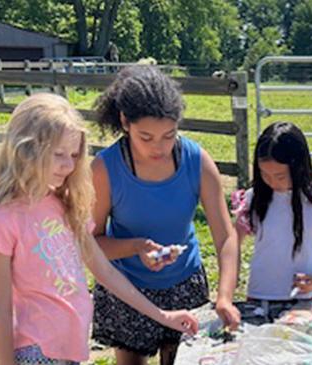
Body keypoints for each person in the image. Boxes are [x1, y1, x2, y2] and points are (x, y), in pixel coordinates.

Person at [0, 93, 198, 365]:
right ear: (25, 148)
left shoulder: (62, 204)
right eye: (58, 154)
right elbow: (0, 308)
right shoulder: (0, 219)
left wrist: (164, 316)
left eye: (73, 155)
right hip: (36, 353)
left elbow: (104, 271)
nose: (69, 165)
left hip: (70, 350)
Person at [90, 66, 240, 364]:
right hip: (127, 287)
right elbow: (92, 242)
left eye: (168, 136)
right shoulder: (104, 169)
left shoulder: (196, 160)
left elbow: (225, 237)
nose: (158, 148)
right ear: (125, 122)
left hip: (185, 283)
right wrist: (135, 247)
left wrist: (224, 296)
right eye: (145, 138)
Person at [231, 121, 312, 302]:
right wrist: (231, 279)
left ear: (298, 167)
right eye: (264, 175)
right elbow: (232, 243)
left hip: (306, 299)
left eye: (280, 176)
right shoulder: (253, 199)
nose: (273, 183)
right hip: (260, 296)